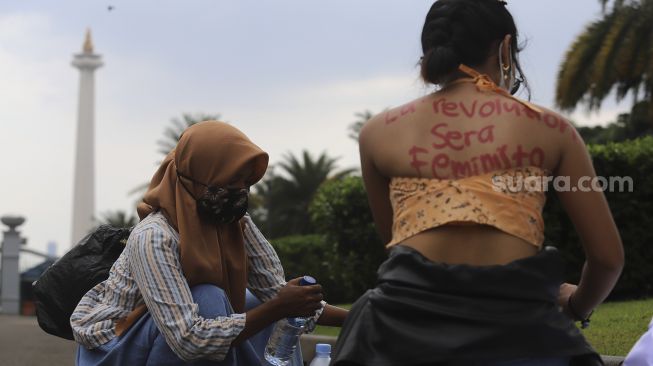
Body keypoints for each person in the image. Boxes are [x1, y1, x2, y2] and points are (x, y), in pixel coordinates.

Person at [331, 1, 624, 365]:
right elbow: (607, 259)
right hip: (520, 330)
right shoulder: (552, 130)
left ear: (432, 53)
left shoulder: (377, 133)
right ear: (504, 48)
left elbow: (396, 249)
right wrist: (577, 304)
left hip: (397, 332)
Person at [71, 121, 348, 365]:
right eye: (229, 181)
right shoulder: (155, 236)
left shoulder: (234, 223)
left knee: (254, 301)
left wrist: (358, 316)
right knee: (209, 296)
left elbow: (275, 293)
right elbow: (188, 340)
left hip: (174, 337)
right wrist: (277, 307)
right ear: (194, 178)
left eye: (245, 182)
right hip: (115, 348)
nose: (239, 191)